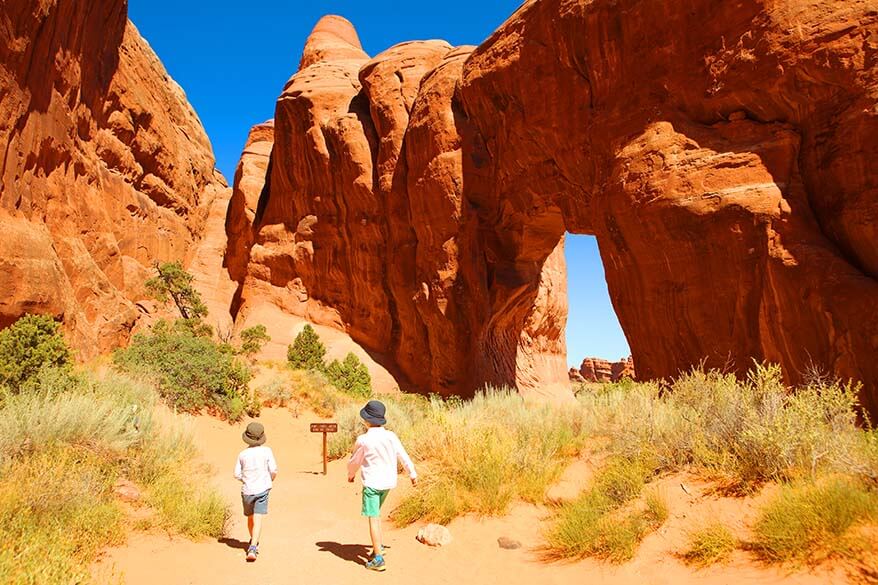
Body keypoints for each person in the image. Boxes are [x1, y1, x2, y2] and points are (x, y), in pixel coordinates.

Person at [347, 400, 418, 572]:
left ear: (366, 420)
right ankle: (378, 547)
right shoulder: (391, 436)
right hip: (387, 483)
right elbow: (403, 454)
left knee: (373, 517)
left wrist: (350, 475)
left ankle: (378, 558)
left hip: (372, 484)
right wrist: (412, 473)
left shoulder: (363, 440)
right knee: (376, 515)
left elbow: (354, 461)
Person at [234, 421, 278, 562]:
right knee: (258, 518)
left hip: (247, 491)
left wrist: (245, 479)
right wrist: (269, 479)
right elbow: (273, 470)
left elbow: (236, 474)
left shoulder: (242, 454)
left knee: (250, 517)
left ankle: (253, 542)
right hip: (262, 489)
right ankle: (253, 547)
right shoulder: (267, 451)